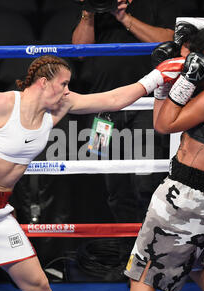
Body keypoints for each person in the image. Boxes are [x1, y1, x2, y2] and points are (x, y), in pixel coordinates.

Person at [0, 54, 183, 291]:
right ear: (43, 82)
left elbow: (114, 99)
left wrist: (155, 78)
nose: (67, 91)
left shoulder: (61, 104)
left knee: (41, 289)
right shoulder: (1, 103)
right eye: (63, 84)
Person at [124, 20, 204, 291]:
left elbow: (164, 126)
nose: (184, 65)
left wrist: (184, 82)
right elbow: (159, 120)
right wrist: (165, 85)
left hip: (185, 197)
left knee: (141, 271)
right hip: (195, 194)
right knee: (198, 266)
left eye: (188, 60)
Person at [72, 0, 180, 264]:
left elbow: (169, 42)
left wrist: (123, 17)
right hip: (102, 108)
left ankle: (149, 253)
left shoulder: (150, 6)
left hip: (144, 106)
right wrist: (89, 13)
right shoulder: (94, 10)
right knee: (113, 187)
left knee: (145, 184)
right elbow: (79, 51)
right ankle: (127, 256)